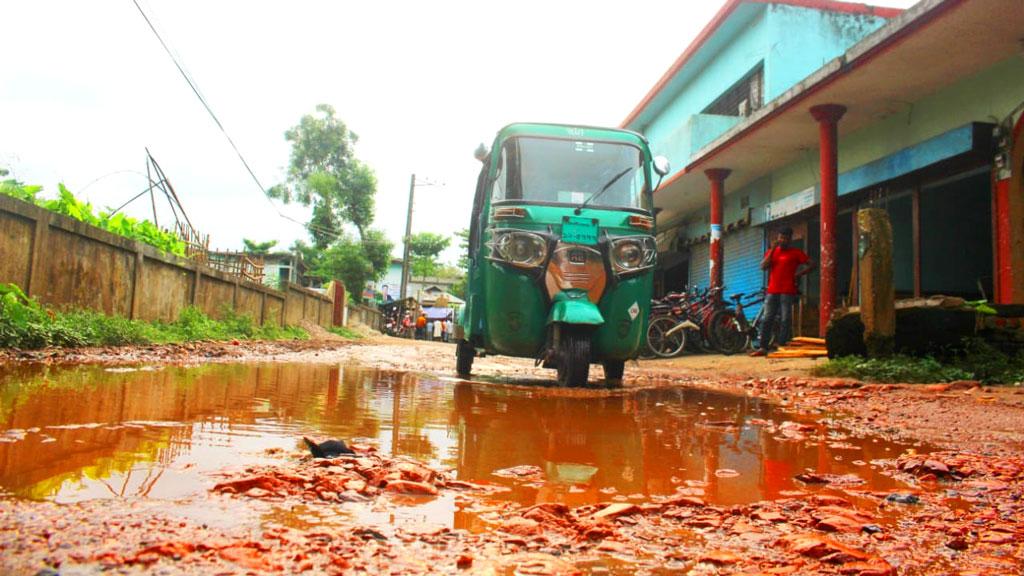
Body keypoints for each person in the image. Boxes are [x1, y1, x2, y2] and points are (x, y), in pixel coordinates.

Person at [750, 227, 816, 357]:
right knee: (767, 318)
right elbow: (763, 266)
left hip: (788, 290)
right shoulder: (771, 252)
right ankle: (763, 347)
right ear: (778, 238)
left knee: (786, 318)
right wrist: (773, 249)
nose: (782, 240)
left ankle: (781, 345)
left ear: (790, 239)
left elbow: (812, 264)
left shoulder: (796, 253)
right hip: (772, 290)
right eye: (781, 237)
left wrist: (799, 274)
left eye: (785, 238)